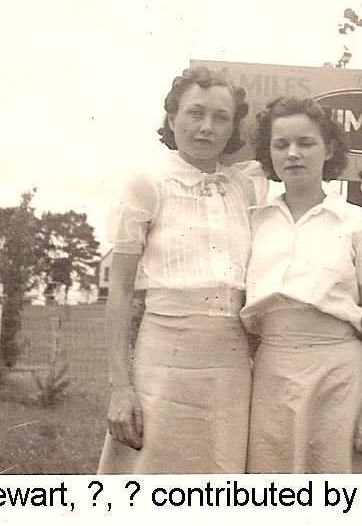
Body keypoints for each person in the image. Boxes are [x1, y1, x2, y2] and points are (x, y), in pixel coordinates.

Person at [97, 66, 259, 474]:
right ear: (172, 119)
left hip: (230, 360)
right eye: (195, 113)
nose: (206, 127)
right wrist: (120, 387)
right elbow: (120, 292)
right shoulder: (147, 184)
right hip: (164, 356)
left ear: (232, 128)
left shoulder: (243, 187)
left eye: (220, 117)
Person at [241, 97, 362, 473]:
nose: (293, 154)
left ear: (328, 149)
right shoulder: (253, 222)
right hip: (271, 372)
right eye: (281, 144)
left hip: (338, 374)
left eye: (306, 143)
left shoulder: (359, 224)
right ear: (269, 153)